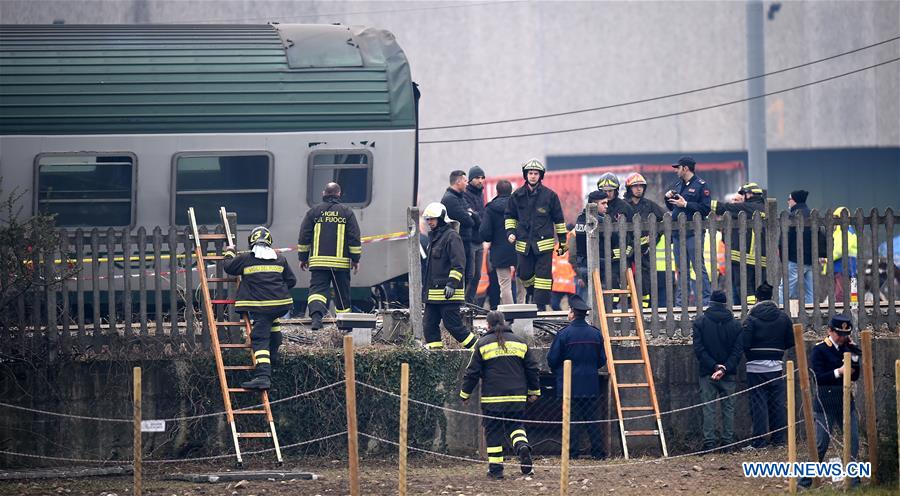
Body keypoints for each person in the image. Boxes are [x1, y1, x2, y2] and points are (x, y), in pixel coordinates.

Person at [460, 311, 540, 479]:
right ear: (504, 322)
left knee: (493, 432)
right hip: (516, 397)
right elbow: (532, 368)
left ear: (488, 325)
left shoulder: (482, 344)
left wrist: (465, 394)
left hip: (492, 399)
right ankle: (522, 446)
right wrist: (534, 391)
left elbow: (472, 372)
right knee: (516, 426)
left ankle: (496, 471)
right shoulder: (520, 342)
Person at [223, 227, 297, 390]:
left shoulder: (245, 259)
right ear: (270, 242)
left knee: (259, 338)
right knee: (273, 323)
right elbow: (292, 280)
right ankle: (274, 358)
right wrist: (276, 290)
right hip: (280, 305)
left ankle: (263, 376)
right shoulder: (280, 259)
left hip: (261, 307)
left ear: (251, 242)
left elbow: (228, 267)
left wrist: (229, 252)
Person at [798, 315, 861, 488]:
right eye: (839, 334)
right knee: (820, 445)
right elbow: (818, 377)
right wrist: (839, 372)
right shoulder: (820, 350)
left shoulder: (848, 348)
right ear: (830, 331)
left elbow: (855, 375)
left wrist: (854, 355)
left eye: (845, 334)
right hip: (825, 402)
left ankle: (854, 483)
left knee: (853, 443)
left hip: (845, 401)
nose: (842, 338)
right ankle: (803, 482)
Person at [547, 295, 607, 459]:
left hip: (569, 385)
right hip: (590, 385)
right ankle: (598, 452)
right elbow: (602, 359)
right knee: (593, 420)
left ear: (572, 313)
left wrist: (558, 371)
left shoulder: (564, 335)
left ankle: (572, 453)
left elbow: (552, 359)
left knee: (571, 420)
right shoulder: (595, 334)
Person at [297, 182, 362, 330]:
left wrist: (303, 257)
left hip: (318, 263)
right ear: (339, 194)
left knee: (318, 291)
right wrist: (356, 259)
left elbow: (304, 236)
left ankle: (316, 319)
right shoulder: (347, 212)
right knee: (342, 294)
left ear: (323, 193)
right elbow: (354, 237)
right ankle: (344, 326)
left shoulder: (313, 212)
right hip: (341, 264)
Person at [505, 159, 567, 309]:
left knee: (543, 276)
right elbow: (509, 216)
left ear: (540, 176)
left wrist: (563, 243)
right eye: (530, 173)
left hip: (543, 244)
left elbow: (559, 220)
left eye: (536, 173)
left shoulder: (550, 196)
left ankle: (540, 305)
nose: (533, 176)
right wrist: (510, 232)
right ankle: (532, 293)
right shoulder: (516, 196)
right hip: (523, 243)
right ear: (526, 175)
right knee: (524, 273)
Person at [741, 282, 795, 449]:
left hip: (755, 367)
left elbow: (745, 343)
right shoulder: (783, 317)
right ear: (772, 298)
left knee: (758, 405)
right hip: (776, 367)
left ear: (757, 299)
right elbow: (790, 341)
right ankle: (779, 440)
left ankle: (759, 442)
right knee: (777, 404)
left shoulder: (751, 318)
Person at [421, 202, 478, 350]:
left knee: (453, 326)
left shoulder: (452, 237)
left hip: (448, 294)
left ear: (441, 218)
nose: (429, 222)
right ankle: (436, 355)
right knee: (428, 325)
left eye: (432, 219)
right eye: (428, 219)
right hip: (433, 295)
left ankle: (478, 349)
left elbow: (459, 264)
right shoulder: (434, 238)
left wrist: (452, 284)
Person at [692, 290, 743, 452]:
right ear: (725, 303)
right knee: (728, 408)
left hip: (707, 372)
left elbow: (699, 350)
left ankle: (709, 443)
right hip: (728, 373)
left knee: (708, 408)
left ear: (711, 302)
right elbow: (737, 351)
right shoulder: (736, 325)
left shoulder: (700, 323)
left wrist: (714, 366)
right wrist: (724, 367)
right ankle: (727, 443)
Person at [665, 156, 712, 307]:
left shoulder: (701, 186)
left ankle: (705, 301)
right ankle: (681, 303)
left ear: (685, 168)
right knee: (681, 269)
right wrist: (667, 199)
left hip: (693, 233)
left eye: (678, 168)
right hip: (678, 234)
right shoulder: (679, 185)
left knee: (698, 267)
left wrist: (686, 204)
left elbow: (705, 209)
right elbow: (674, 208)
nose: (676, 171)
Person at [711, 182, 767, 304]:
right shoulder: (765, 208)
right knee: (759, 288)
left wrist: (704, 202)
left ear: (750, 194)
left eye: (744, 194)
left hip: (745, 258)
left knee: (745, 288)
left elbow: (723, 208)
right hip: (762, 258)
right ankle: (759, 308)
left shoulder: (748, 207)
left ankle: (750, 310)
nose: (742, 197)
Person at [624, 172, 667, 308]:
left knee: (645, 282)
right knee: (625, 279)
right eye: (635, 186)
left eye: (641, 186)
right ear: (629, 188)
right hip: (626, 250)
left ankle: (644, 310)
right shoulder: (623, 205)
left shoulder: (650, 205)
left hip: (645, 251)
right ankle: (629, 307)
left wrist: (655, 236)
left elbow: (665, 220)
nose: (638, 189)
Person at [442, 170, 479, 303]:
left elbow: (474, 218)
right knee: (461, 274)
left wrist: (471, 215)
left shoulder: (460, 197)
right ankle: (459, 303)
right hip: (458, 243)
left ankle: (465, 303)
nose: (466, 183)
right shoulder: (450, 199)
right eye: (464, 180)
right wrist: (470, 215)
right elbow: (468, 220)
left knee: (470, 275)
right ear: (458, 182)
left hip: (466, 242)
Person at [481, 179, 517, 306]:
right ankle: (523, 312)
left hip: (499, 251)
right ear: (511, 191)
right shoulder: (520, 205)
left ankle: (511, 315)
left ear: (497, 191)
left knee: (505, 285)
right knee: (522, 282)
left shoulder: (490, 208)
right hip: (520, 248)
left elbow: (485, 233)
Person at [779, 190, 819, 305]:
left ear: (794, 200)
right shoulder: (812, 215)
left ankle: (781, 311)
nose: (787, 201)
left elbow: (785, 240)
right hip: (811, 260)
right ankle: (812, 315)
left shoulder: (792, 216)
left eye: (789, 199)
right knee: (810, 291)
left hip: (795, 260)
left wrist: (784, 258)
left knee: (784, 290)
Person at [573, 190, 613, 297]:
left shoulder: (581, 218)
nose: (606, 206)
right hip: (593, 265)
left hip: (586, 264)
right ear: (594, 205)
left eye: (607, 203)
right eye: (603, 203)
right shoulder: (596, 220)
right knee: (593, 300)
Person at [463, 165, 487, 304]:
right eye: (477, 177)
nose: (480, 180)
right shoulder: (465, 194)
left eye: (482, 177)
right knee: (470, 274)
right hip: (470, 240)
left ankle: (470, 303)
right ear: (470, 179)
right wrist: (479, 219)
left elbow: (480, 215)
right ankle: (464, 303)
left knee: (477, 275)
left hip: (479, 240)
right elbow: (473, 216)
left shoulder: (481, 194)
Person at [824, 206, 858, 303]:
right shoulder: (844, 231)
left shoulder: (844, 231)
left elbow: (838, 250)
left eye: (835, 217)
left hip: (842, 267)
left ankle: (843, 314)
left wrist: (827, 259)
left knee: (840, 293)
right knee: (845, 292)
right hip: (844, 267)